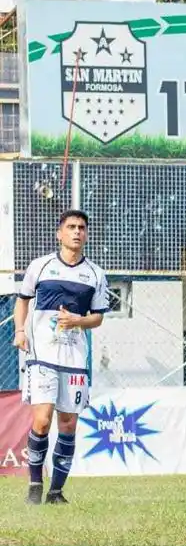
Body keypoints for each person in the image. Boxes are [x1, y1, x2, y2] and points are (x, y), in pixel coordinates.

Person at [13, 209, 109, 504]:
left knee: (68, 424)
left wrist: (77, 321)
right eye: (71, 227)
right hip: (42, 353)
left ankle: (56, 492)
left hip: (75, 357)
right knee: (42, 420)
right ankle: (34, 485)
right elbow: (22, 300)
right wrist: (19, 331)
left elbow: (98, 318)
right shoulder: (40, 266)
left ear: (86, 234)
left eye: (81, 227)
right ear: (59, 234)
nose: (77, 232)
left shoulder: (95, 274)